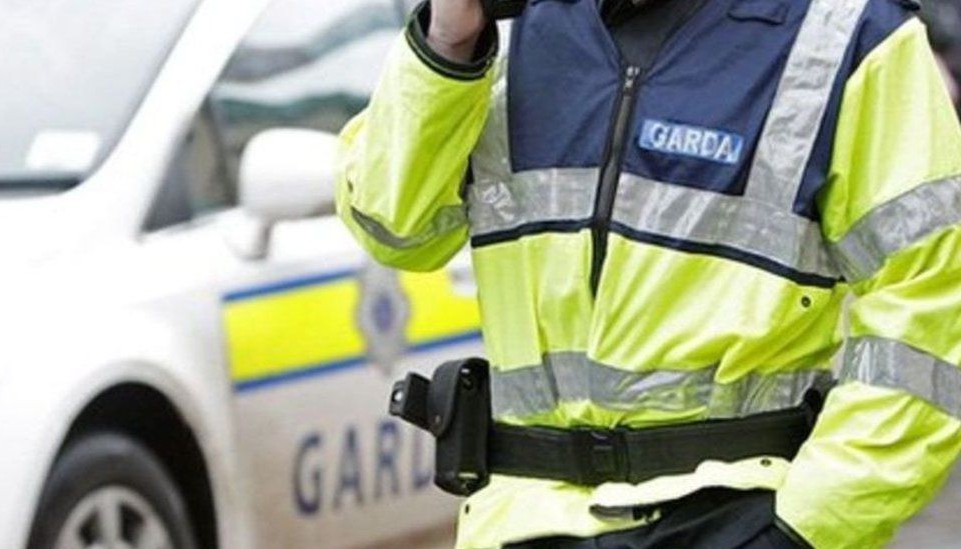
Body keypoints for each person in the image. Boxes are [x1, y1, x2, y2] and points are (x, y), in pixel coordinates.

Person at [337, 0, 961, 546]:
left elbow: (932, 306)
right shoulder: (502, 29)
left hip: (738, 515)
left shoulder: (846, 29)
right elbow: (396, 229)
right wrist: (448, 45)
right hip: (522, 520)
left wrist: (810, 525)